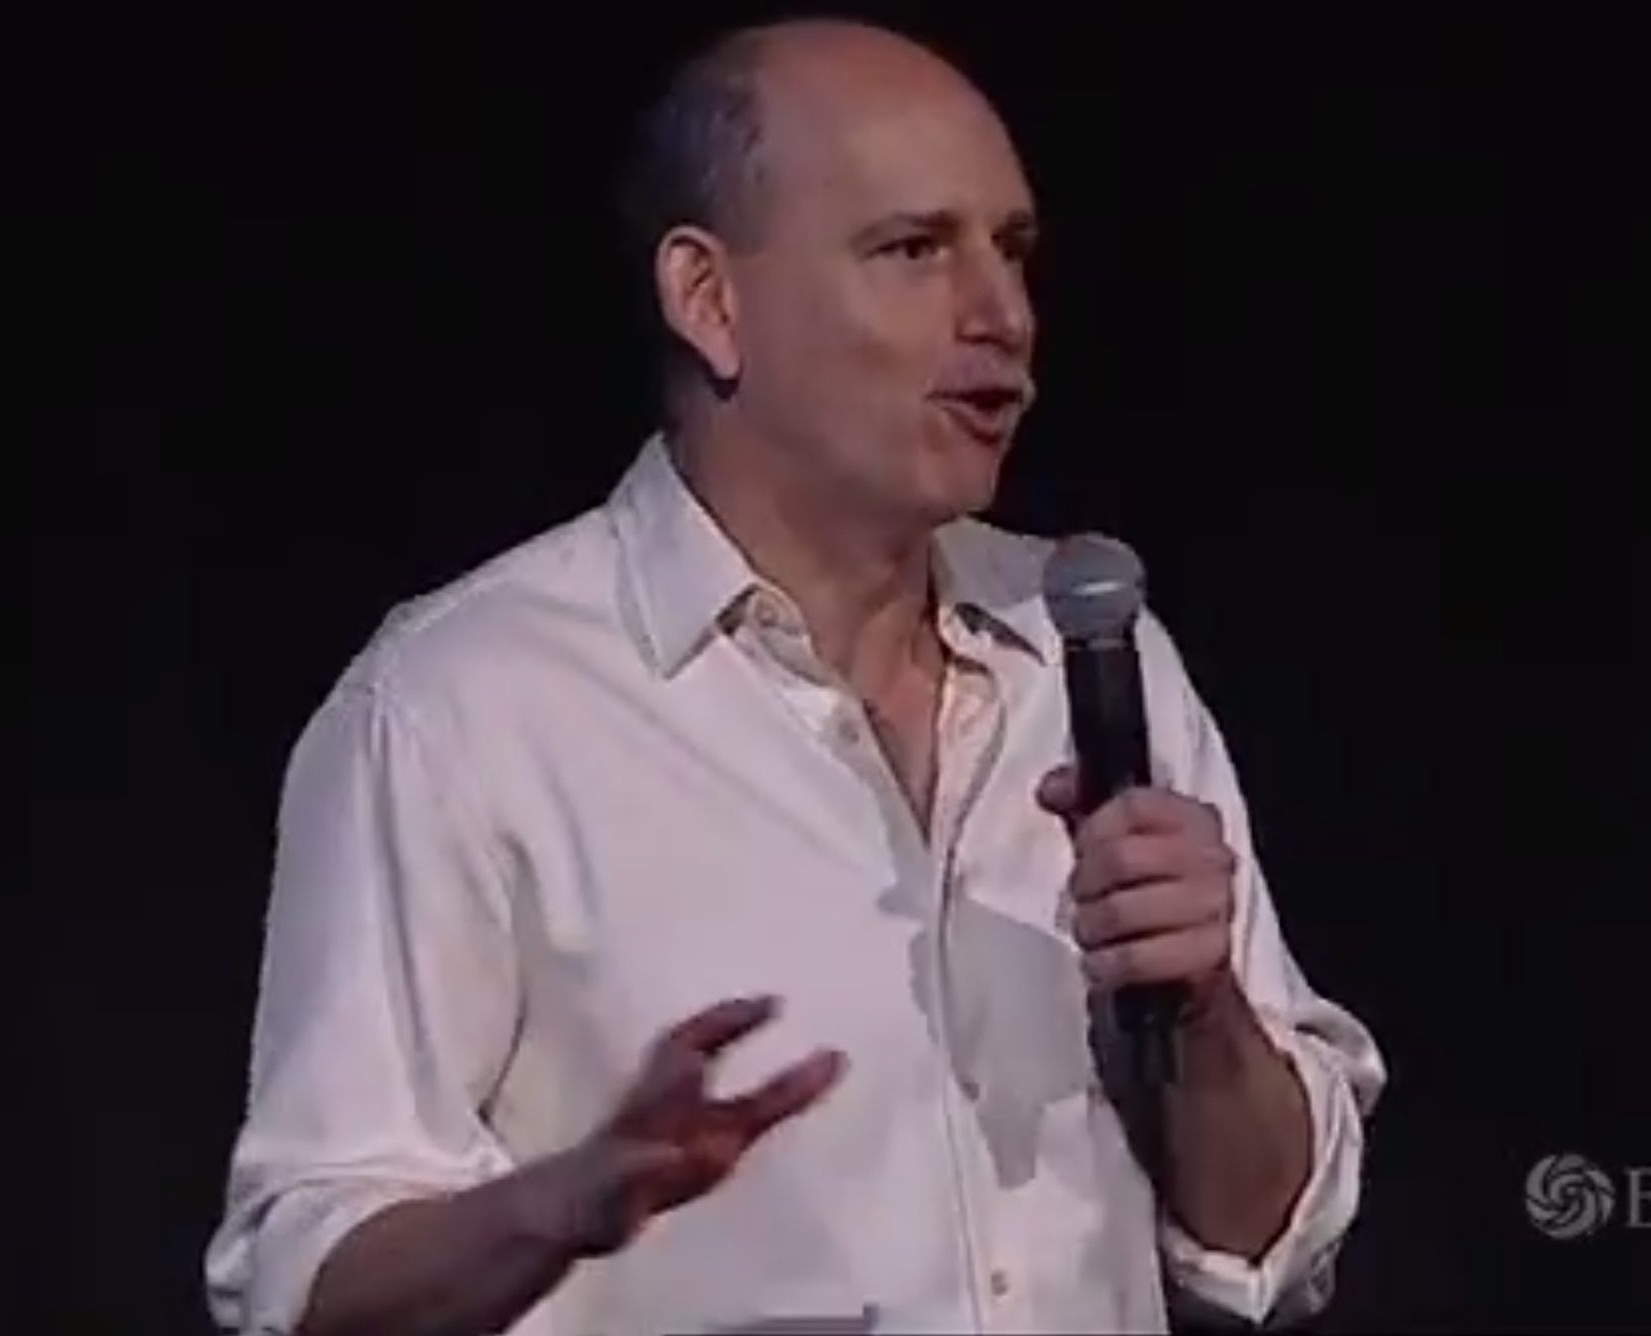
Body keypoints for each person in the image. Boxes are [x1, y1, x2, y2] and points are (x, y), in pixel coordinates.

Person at [203, 17, 1385, 1336]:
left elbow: (1266, 1245)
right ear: (710, 300)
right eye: (914, 250)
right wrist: (556, 1207)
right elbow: (304, 1283)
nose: (1002, 317)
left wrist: (1206, 1016)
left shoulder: (1091, 658)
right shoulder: (460, 710)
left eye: (1012, 249)